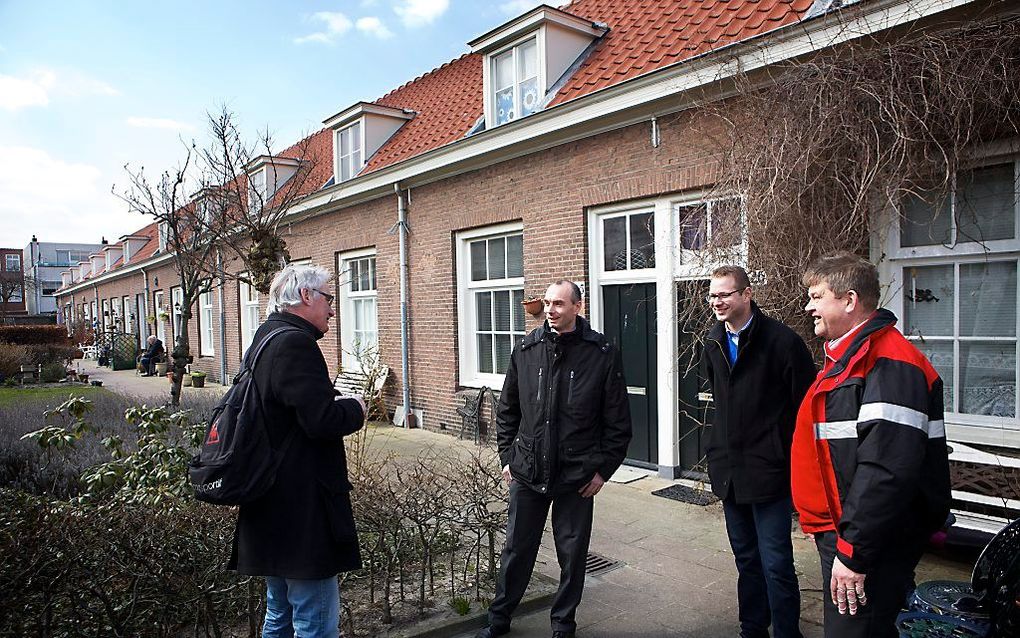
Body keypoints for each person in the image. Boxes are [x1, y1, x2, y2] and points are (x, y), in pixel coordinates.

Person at [792, 252, 951, 638]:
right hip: (847, 531)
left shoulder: (889, 363)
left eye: (817, 296)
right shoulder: (852, 358)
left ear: (849, 300)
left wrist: (853, 552)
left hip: (866, 542)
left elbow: (887, 469)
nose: (808, 306)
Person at [477, 280, 632, 638]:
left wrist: (603, 471)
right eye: (547, 303)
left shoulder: (602, 353)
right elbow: (507, 410)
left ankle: (563, 623)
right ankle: (499, 619)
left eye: (559, 304)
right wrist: (507, 457)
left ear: (578, 306)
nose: (550, 310)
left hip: (577, 476)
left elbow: (618, 422)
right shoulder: (526, 349)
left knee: (572, 554)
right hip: (528, 470)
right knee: (516, 549)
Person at [228, 264, 367, 638]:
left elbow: (288, 410)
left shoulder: (266, 337)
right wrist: (355, 407)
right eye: (329, 298)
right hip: (301, 509)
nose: (332, 310)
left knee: (280, 614)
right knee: (315, 622)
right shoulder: (295, 343)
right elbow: (320, 421)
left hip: (271, 504)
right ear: (306, 296)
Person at [703, 265, 816, 638]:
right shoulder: (713, 340)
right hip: (730, 473)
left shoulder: (783, 343)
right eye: (713, 295)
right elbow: (722, 400)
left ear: (747, 294)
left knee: (777, 562)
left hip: (770, 472)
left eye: (725, 294)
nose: (717, 301)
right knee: (746, 560)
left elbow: (806, 408)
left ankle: (787, 632)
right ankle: (752, 628)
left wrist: (786, 459)